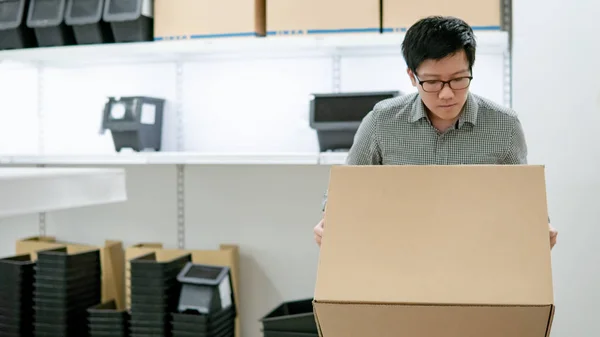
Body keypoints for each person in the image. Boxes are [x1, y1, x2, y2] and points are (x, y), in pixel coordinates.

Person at [313, 16, 558, 249]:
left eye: (459, 79)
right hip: (399, 257)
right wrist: (330, 219)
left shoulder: (504, 125)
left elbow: (524, 201)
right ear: (412, 76)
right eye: (432, 82)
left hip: (478, 259)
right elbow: (346, 191)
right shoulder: (382, 121)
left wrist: (540, 226)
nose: (447, 94)